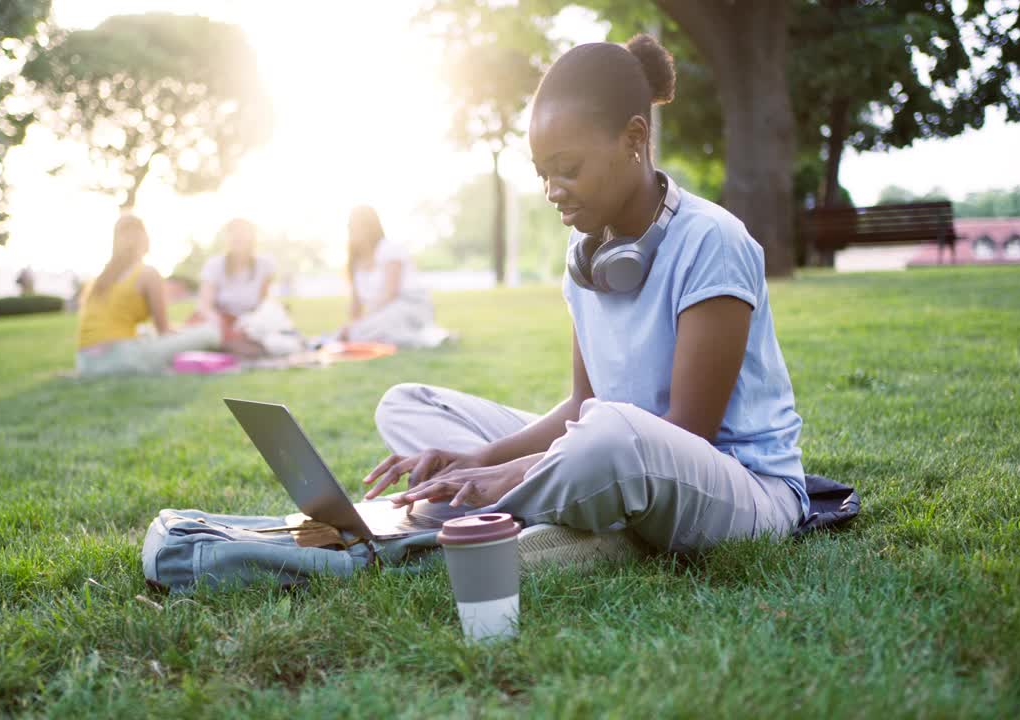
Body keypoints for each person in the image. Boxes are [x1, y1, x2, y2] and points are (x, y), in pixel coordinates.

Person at [362, 35, 807, 558]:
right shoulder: (586, 252)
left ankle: (538, 514)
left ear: (633, 138)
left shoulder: (713, 241)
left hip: (740, 489)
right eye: (542, 173)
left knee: (607, 438)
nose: (552, 190)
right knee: (406, 406)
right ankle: (583, 524)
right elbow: (581, 405)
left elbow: (689, 430)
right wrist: (476, 458)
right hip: (613, 453)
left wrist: (508, 475)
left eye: (568, 169)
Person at [75, 214, 219, 376]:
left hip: (86, 363)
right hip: (123, 359)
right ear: (145, 239)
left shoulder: (101, 279)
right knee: (209, 332)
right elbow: (163, 330)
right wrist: (187, 331)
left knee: (145, 331)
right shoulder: (147, 273)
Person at [339, 205, 446, 348]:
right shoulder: (354, 261)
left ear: (371, 228)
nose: (353, 231)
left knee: (371, 329)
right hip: (380, 313)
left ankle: (433, 337)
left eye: (357, 226)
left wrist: (364, 321)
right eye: (350, 226)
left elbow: (390, 293)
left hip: (409, 305)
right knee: (354, 333)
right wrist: (352, 325)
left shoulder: (389, 249)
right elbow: (355, 306)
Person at [196, 218, 277, 356]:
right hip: (219, 322)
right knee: (209, 334)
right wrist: (222, 325)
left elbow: (263, 304)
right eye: (234, 234)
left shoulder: (264, 265)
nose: (238, 238)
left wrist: (250, 324)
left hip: (249, 324)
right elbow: (205, 307)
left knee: (273, 337)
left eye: (243, 234)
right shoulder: (214, 265)